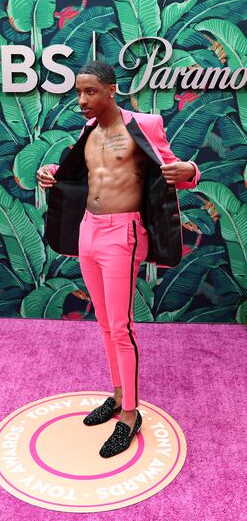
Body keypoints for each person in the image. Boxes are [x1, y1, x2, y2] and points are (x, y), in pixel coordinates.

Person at [36, 60, 200, 458]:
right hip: (88, 231)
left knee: (122, 326)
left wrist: (190, 170)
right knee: (106, 324)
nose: (82, 101)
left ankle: (130, 414)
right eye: (78, 92)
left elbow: (180, 167)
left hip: (121, 235)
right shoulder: (88, 130)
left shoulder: (144, 125)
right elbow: (89, 175)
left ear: (112, 90)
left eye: (90, 92)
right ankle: (117, 394)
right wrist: (53, 170)